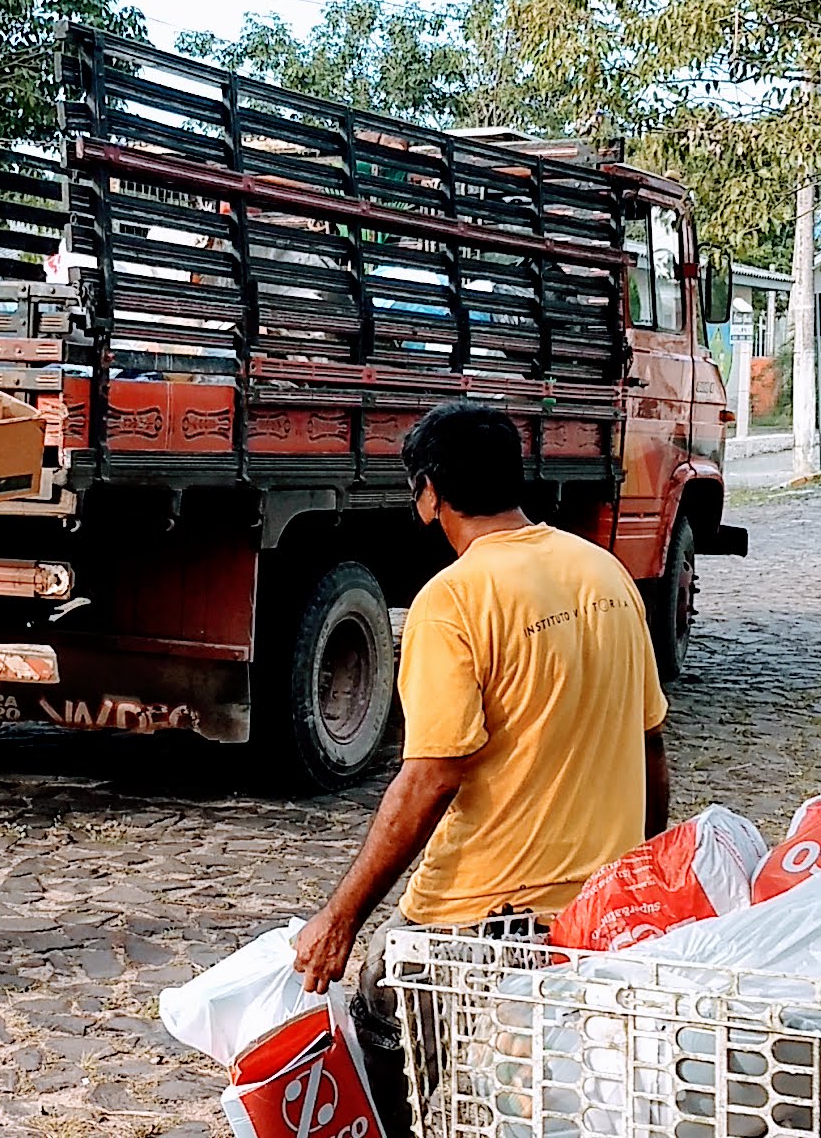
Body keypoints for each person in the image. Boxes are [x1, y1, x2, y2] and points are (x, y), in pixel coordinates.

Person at [290, 402, 670, 1133]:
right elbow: (650, 747)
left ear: (429, 494)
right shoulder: (606, 574)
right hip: (595, 903)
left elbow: (433, 773)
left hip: (483, 911)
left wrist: (339, 918)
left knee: (374, 1036)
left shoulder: (452, 601)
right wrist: (634, 874)